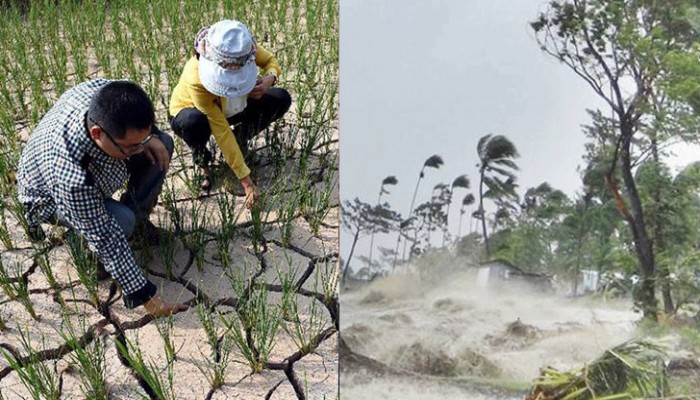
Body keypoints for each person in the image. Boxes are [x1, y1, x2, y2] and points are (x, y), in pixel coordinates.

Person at [16, 79, 188, 317]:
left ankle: (137, 223)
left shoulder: (107, 94)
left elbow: (139, 125)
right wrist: (147, 297)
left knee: (162, 144)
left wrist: (151, 137)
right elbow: (105, 236)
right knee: (121, 222)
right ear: (97, 133)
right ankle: (83, 247)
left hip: (95, 169)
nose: (138, 148)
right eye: (131, 146)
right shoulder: (70, 172)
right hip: (49, 199)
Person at [169, 19, 292, 202]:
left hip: (232, 104)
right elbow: (220, 129)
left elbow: (269, 61)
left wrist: (270, 78)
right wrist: (247, 182)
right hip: (194, 112)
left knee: (280, 98)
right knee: (193, 123)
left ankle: (240, 139)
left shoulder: (242, 49)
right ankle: (202, 161)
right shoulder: (196, 77)